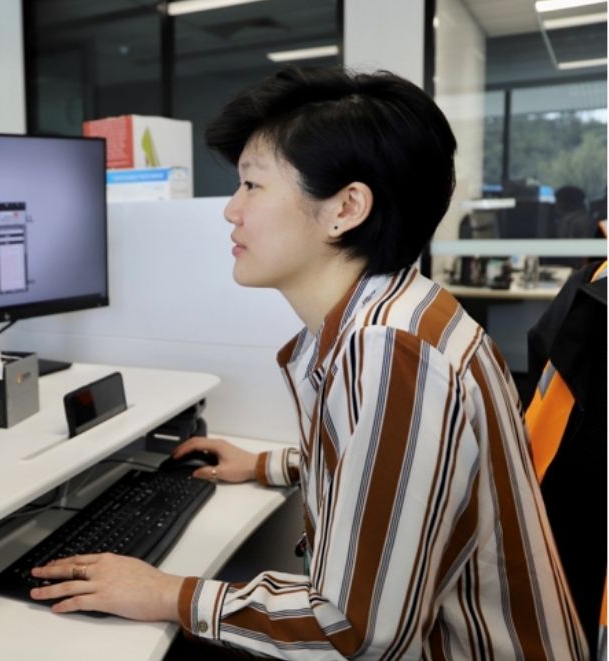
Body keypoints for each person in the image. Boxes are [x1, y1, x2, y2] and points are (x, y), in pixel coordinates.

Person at [30, 67, 587, 659]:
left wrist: (169, 594)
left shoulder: (391, 354)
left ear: (346, 208)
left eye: (253, 186)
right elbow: (400, 467)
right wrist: (274, 463)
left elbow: (357, 630)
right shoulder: (405, 312)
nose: (231, 211)